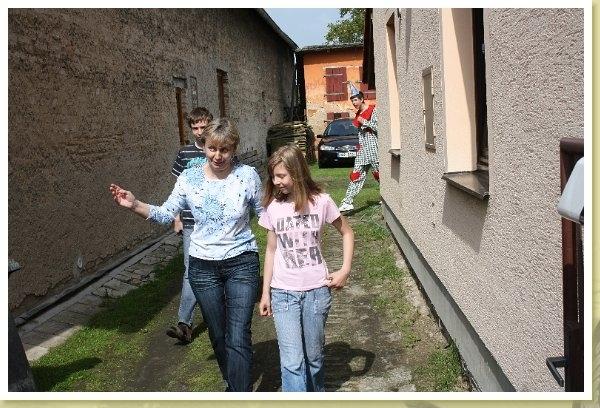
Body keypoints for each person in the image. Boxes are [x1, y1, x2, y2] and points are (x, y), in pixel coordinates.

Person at [110, 118, 262, 392]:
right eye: (212, 148)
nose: (218, 156)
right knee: (218, 333)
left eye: (225, 150)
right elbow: (165, 213)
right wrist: (134, 204)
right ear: (204, 146)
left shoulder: (247, 176)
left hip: (241, 262)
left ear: (234, 148)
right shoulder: (189, 178)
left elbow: (266, 215)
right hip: (203, 267)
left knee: (238, 334)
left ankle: (239, 394)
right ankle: (234, 383)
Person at [258, 144, 354, 392]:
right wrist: (266, 293)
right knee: (292, 362)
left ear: (297, 172)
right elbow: (271, 250)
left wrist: (344, 270)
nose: (276, 181)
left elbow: (347, 232)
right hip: (283, 293)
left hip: (316, 293)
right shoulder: (273, 207)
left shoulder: (321, 202)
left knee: (314, 359)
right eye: (273, 176)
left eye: (281, 176)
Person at [166, 107, 213, 344]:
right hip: (191, 223)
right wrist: (176, 217)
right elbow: (178, 190)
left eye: (203, 126)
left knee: (215, 268)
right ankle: (184, 323)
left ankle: (219, 314)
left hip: (214, 222)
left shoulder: (217, 150)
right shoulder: (184, 153)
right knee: (190, 270)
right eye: (195, 128)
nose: (199, 131)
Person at [338, 84, 379, 212]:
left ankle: (387, 197)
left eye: (356, 100)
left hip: (374, 149)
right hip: (362, 150)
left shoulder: (373, 110)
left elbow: (379, 128)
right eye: (352, 101)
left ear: (362, 99)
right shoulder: (358, 114)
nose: (354, 103)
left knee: (380, 174)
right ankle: (347, 202)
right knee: (356, 174)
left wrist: (365, 122)